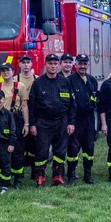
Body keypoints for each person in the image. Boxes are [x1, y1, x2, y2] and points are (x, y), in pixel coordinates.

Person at [28, 53, 76, 187]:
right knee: (42, 151)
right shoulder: (38, 83)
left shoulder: (65, 82)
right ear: (46, 65)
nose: (53, 66)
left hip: (62, 121)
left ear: (58, 65)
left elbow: (72, 104)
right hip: (43, 122)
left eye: (55, 64)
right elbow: (31, 105)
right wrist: (32, 124)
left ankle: (58, 176)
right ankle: (40, 177)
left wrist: (71, 122)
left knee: (60, 151)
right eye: (50, 63)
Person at [0, 63, 29, 188]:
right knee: (1, 150)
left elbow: (25, 106)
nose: (5, 73)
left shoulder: (19, 86)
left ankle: (17, 179)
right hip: (0, 120)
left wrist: (26, 124)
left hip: (16, 120)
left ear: (12, 71)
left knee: (18, 150)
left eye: (7, 70)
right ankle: (4, 178)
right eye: (3, 71)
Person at [67, 55, 99, 185]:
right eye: (80, 63)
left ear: (88, 65)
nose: (82, 66)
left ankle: (88, 174)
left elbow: (95, 97)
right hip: (76, 118)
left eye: (85, 64)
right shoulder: (69, 80)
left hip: (89, 118)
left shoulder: (92, 80)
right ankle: (71, 175)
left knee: (89, 148)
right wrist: (70, 121)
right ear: (76, 64)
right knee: (73, 148)